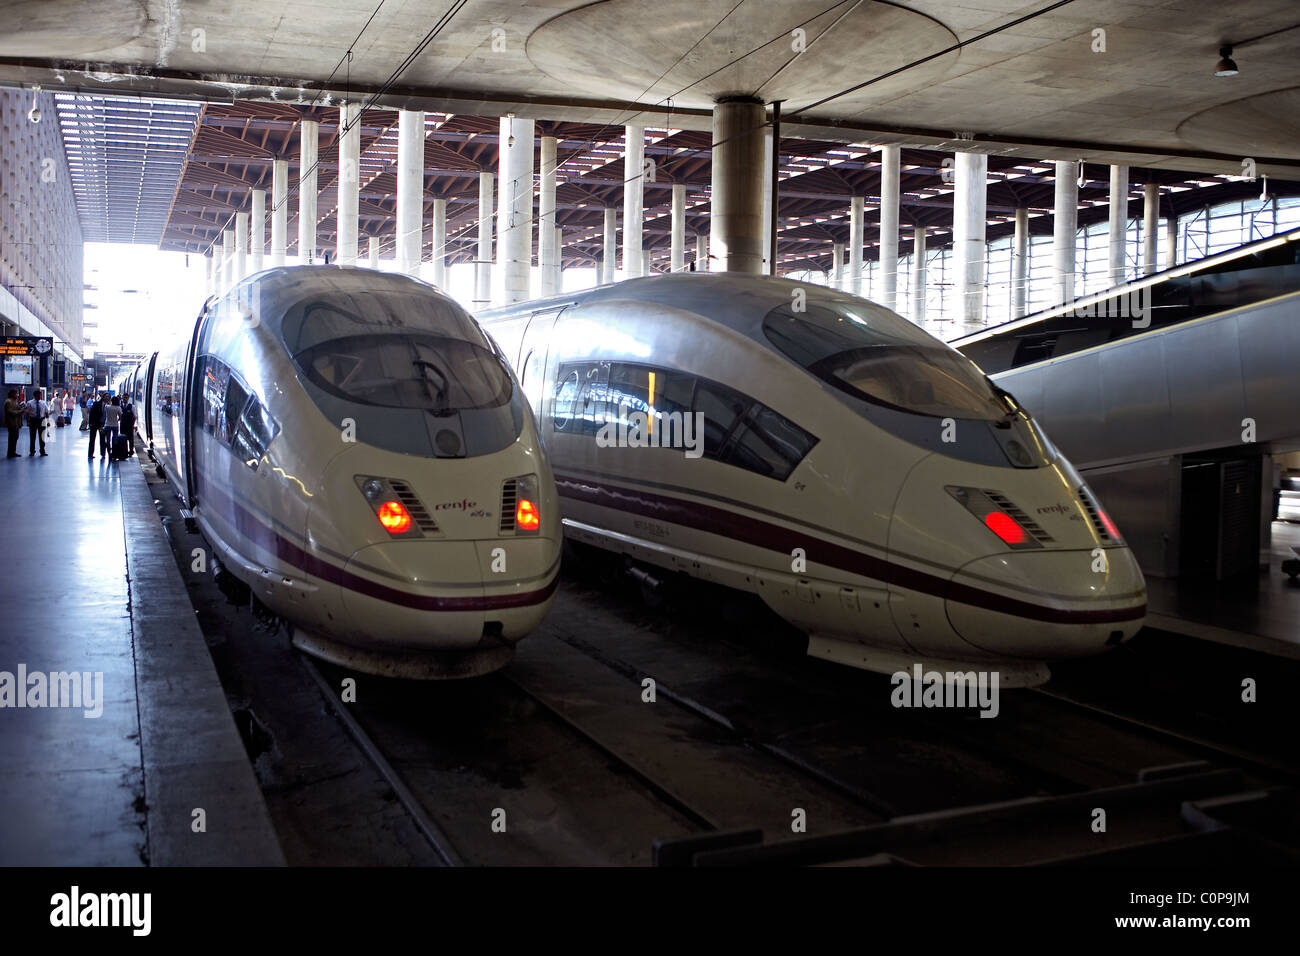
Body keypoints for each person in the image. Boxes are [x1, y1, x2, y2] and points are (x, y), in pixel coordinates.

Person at [23, 388, 49, 457]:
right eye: (38, 395)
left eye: (40, 395)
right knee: (32, 436)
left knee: (42, 436)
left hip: (42, 420)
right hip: (33, 420)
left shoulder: (43, 403)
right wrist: (28, 421)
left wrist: (48, 421)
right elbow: (27, 413)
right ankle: (32, 451)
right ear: (35, 396)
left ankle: (42, 451)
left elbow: (46, 412)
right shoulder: (29, 403)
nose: (39, 397)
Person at [103, 395, 122, 460]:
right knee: (115, 439)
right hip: (115, 425)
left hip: (107, 425)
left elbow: (104, 412)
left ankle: (109, 453)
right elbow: (120, 416)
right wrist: (117, 420)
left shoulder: (107, 407)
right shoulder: (118, 408)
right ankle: (114, 453)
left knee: (108, 440)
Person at [4, 389, 22, 459]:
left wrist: (21, 409)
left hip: (16, 423)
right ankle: (11, 452)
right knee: (12, 438)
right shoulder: (8, 402)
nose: (17, 395)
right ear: (12, 394)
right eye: (16, 394)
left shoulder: (14, 401)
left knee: (15, 437)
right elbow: (10, 412)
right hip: (12, 423)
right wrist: (20, 411)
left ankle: (13, 451)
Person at [88, 392, 106, 460]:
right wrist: (90, 423)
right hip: (94, 424)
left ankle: (103, 453)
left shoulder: (109, 405)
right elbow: (91, 413)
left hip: (102, 424)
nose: (107, 398)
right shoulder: (96, 403)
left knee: (103, 439)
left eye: (108, 397)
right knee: (92, 439)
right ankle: (90, 454)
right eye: (106, 397)